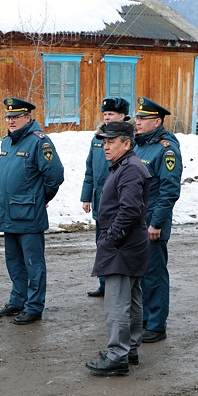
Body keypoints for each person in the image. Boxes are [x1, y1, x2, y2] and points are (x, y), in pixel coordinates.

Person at [84, 121, 150, 376]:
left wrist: (110, 238)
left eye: (111, 142)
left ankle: (118, 356)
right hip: (129, 243)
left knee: (116, 303)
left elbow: (130, 209)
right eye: (104, 142)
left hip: (122, 245)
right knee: (132, 298)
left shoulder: (130, 169)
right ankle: (129, 348)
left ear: (127, 143)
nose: (105, 146)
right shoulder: (126, 165)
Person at [0, 97, 64, 324]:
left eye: (15, 117)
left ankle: (33, 307)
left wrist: (39, 198)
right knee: (13, 261)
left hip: (29, 214)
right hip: (8, 211)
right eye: (8, 117)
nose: (11, 121)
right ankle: (17, 300)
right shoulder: (7, 142)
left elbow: (55, 176)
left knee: (33, 263)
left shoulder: (39, 142)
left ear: (27, 117)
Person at [133, 96, 183, 343]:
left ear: (158, 121)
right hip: (137, 220)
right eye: (137, 117)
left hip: (152, 222)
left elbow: (169, 191)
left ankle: (156, 325)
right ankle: (145, 319)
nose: (138, 122)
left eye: (143, 118)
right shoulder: (140, 145)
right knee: (141, 274)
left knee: (154, 274)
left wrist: (157, 223)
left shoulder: (166, 149)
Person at [81, 97, 131, 298]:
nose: (107, 118)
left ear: (122, 116)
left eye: (111, 114)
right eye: (105, 115)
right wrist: (86, 196)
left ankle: (120, 287)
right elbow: (90, 170)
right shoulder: (98, 139)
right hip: (100, 201)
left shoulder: (128, 138)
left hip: (119, 202)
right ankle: (104, 284)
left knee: (120, 245)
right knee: (102, 244)